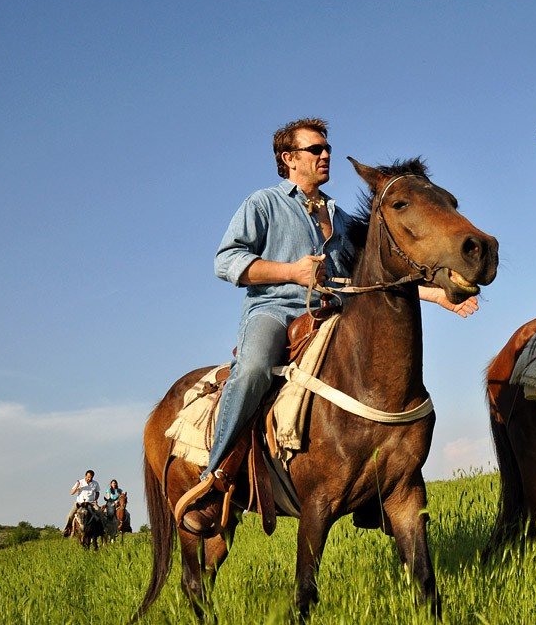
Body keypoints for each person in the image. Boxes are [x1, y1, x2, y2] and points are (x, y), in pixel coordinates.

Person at [177, 117, 478, 533]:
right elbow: (226, 262)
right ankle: (215, 478)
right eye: (315, 149)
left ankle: (377, 485)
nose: (325, 155)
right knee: (253, 369)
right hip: (275, 311)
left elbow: (364, 283)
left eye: (327, 148)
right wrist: (291, 271)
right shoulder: (262, 203)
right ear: (289, 158)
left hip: (333, 312)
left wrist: (436, 296)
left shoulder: (335, 213)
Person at [62, 469, 100, 536]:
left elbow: (97, 492)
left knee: (99, 512)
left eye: (91, 477)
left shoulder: (95, 483)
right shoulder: (80, 482)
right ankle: (67, 529)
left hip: (90, 503)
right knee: (70, 515)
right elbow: (72, 493)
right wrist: (77, 486)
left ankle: (101, 529)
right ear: (85, 476)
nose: (89, 478)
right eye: (88, 477)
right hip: (79, 503)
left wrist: (95, 499)